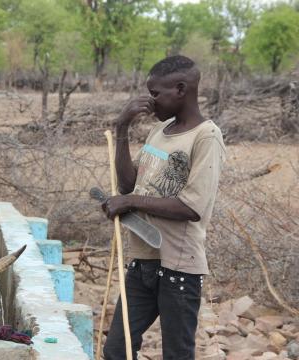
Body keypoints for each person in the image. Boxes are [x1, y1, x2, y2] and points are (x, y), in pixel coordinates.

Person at [102, 55, 226, 360]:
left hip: (178, 267)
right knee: (118, 349)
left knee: (177, 354)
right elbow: (130, 186)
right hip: (142, 262)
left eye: (156, 93)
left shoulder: (206, 136)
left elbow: (192, 206)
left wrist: (129, 202)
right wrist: (121, 129)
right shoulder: (160, 131)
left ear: (181, 89)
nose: (150, 100)